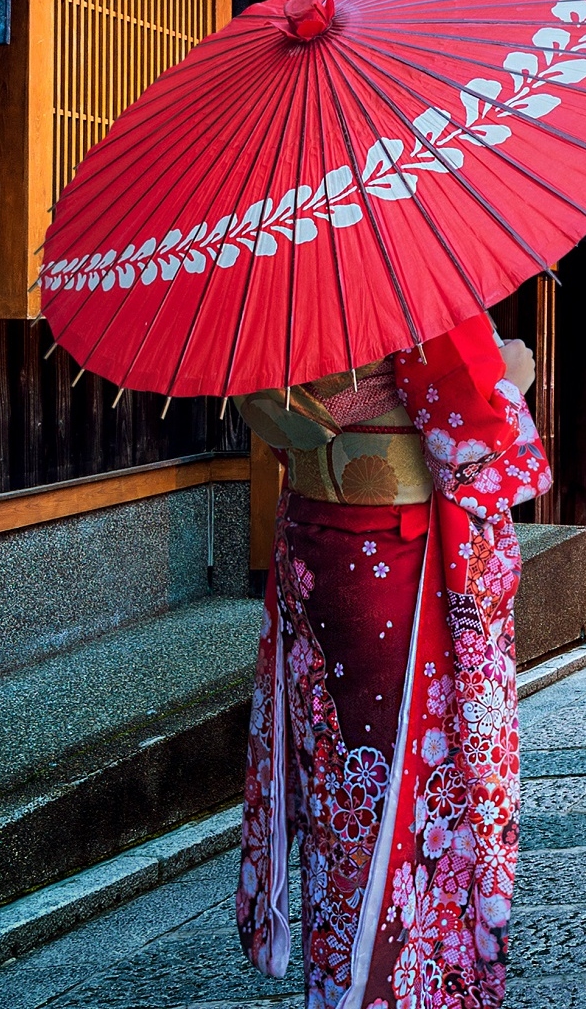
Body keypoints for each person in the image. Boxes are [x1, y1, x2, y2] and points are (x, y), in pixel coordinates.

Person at [231, 313, 551, 1009]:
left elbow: (290, 428)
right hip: (394, 564)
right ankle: (391, 988)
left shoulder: (287, 279)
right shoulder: (411, 288)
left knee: (341, 783)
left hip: (316, 552)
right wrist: (510, 377)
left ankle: (338, 972)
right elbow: (473, 444)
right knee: (403, 786)